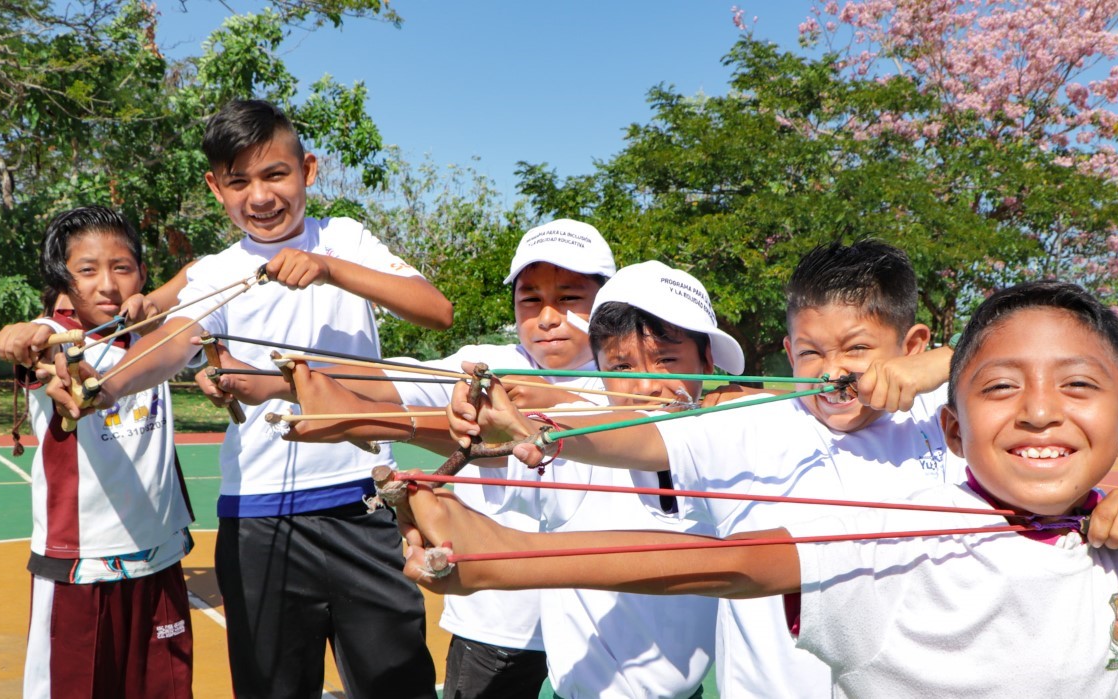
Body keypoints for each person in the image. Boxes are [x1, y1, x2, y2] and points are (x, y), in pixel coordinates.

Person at [405, 279, 1118, 698]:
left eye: (1075, 388)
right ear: (953, 427)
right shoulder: (910, 528)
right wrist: (510, 554)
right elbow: (727, 561)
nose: (1040, 410)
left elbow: (999, 337)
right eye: (1003, 390)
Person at [51, 99, 451, 699]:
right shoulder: (214, 272)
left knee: (397, 683)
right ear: (216, 187)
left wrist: (329, 269)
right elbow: (167, 346)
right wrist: (99, 387)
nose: (260, 197)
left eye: (275, 174)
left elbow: (436, 311)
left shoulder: (343, 239)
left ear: (308, 171)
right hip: (258, 519)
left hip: (362, 506)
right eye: (239, 181)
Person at [451, 239, 964, 698]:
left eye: (857, 349)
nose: (833, 373)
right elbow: (639, 436)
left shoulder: (943, 413)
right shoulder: (754, 426)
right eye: (810, 353)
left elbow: (1030, 349)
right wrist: (525, 426)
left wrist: (944, 363)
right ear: (788, 353)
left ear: (911, 346)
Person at [273, 218, 616, 698]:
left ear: (607, 305)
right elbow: (385, 377)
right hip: (498, 623)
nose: (547, 316)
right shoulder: (481, 364)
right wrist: (277, 373)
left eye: (570, 298)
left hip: (603, 622)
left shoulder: (627, 382)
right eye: (531, 299)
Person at [484, 260, 732, 698]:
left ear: (708, 361)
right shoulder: (572, 433)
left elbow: (667, 437)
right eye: (621, 369)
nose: (646, 386)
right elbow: (525, 446)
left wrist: (548, 419)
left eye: (667, 361)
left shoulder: (729, 444)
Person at [0, 206, 195, 698]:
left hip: (159, 559)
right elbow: (29, 339)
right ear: (65, 284)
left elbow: (204, 274)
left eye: (122, 267)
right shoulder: (56, 338)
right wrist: (19, 337)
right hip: (79, 570)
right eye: (88, 271)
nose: (107, 284)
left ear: (143, 276)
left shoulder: (156, 332)